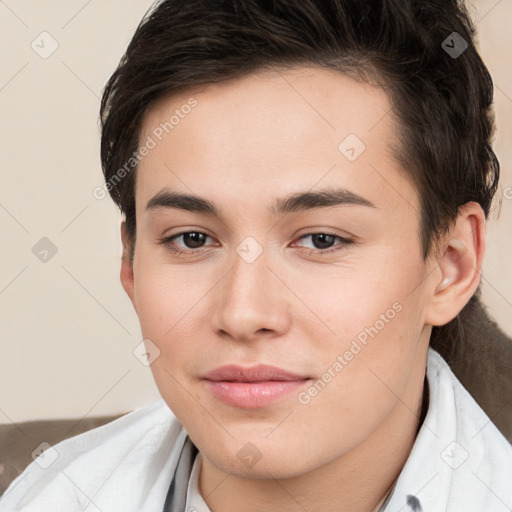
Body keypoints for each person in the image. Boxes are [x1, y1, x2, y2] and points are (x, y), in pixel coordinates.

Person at [2, 0, 511, 510]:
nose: (243, 314)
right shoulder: (47, 494)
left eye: (321, 240)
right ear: (131, 264)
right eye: (192, 239)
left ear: (450, 266)